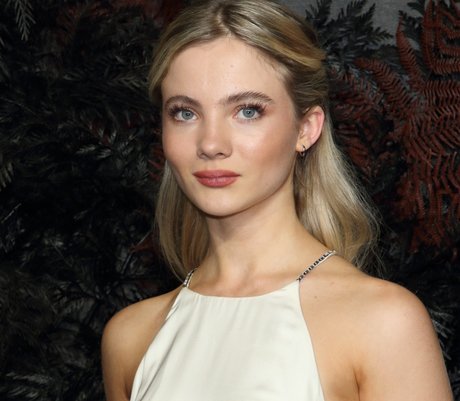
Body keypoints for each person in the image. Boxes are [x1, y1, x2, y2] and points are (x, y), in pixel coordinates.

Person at [101, 0, 454, 400]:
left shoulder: (382, 322)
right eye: (184, 113)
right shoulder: (131, 338)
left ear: (306, 128)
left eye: (248, 111)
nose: (211, 144)